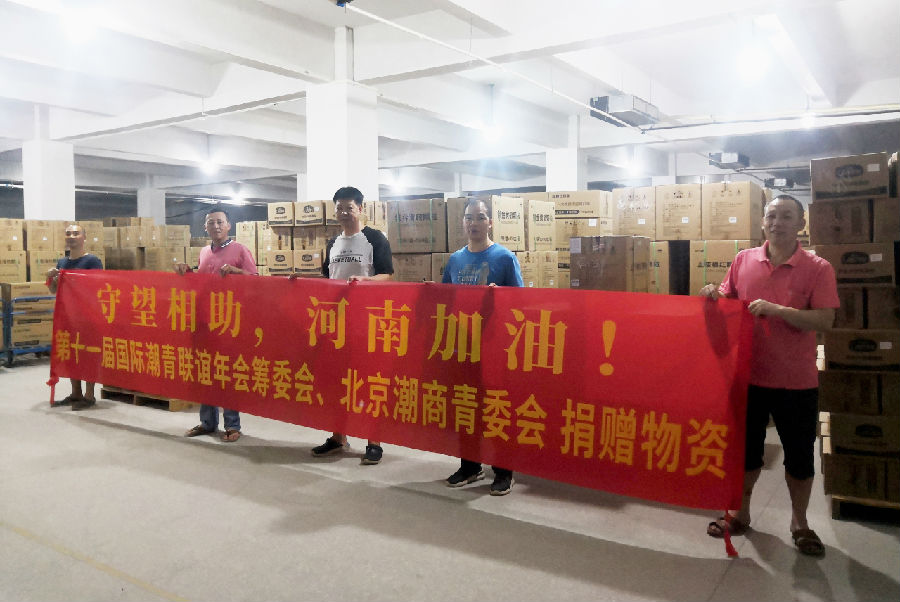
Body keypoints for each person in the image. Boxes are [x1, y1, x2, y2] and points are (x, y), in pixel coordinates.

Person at [700, 194, 838, 557]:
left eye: (787, 216)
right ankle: (740, 513)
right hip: (748, 377)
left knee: (799, 456)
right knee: (745, 452)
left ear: (801, 224)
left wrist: (779, 311)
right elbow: (728, 299)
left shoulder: (818, 267)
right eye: (771, 216)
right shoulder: (743, 260)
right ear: (762, 222)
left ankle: (800, 522)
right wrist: (713, 294)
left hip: (796, 381)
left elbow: (826, 319)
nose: (777, 223)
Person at [305, 186, 394, 465]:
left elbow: (387, 275)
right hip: (336, 322)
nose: (344, 212)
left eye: (349, 207)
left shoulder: (374, 239)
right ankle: (338, 436)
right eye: (339, 208)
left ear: (360, 209)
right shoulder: (333, 243)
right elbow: (327, 279)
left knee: (368, 381)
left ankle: (374, 441)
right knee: (337, 381)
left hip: (367, 321)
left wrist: (366, 281)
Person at [441, 198, 523, 496]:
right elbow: (445, 301)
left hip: (495, 347)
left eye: (480, 217)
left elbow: (521, 303)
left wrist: (500, 296)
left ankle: (503, 470)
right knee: (466, 405)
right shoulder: (455, 260)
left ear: (490, 222)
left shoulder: (504, 258)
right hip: (464, 345)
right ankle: (470, 465)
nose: (473, 223)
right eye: (469, 218)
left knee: (497, 406)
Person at [174, 206, 258, 442]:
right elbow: (201, 283)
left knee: (227, 372)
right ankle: (207, 422)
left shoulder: (240, 250)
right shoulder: (204, 252)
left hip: (230, 322)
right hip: (206, 321)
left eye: (220, 222)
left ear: (228, 225)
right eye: (211, 222)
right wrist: (186, 271)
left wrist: (237, 271)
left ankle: (232, 425)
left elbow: (256, 281)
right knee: (206, 372)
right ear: (205, 227)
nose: (216, 226)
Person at [47, 223, 104, 411]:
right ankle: (76, 393)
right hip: (68, 317)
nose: (71, 236)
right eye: (68, 233)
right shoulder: (62, 263)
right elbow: (54, 290)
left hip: (87, 317)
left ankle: (89, 395)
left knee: (88, 354)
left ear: (84, 237)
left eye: (76, 233)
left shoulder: (92, 261)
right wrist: (51, 278)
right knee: (71, 354)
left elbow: (98, 288)